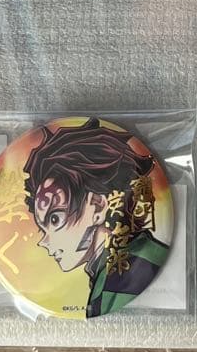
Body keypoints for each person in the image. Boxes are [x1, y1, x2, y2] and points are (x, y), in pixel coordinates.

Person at [24, 118, 167, 317]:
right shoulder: (113, 269)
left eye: (55, 219)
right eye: (42, 227)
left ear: (98, 206)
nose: (44, 242)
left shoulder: (124, 277)